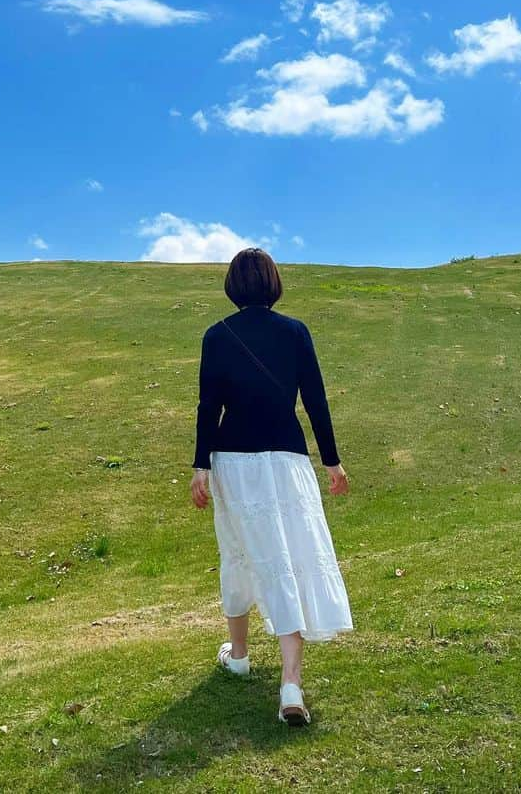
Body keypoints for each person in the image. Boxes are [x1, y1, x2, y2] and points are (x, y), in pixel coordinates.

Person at [190, 247, 352, 725]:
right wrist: (333, 462)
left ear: (233, 286)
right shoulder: (295, 332)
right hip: (287, 458)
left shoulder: (216, 336)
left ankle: (238, 655)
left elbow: (207, 408)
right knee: (289, 558)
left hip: (233, 459)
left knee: (240, 552)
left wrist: (201, 466)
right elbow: (315, 402)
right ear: (274, 283)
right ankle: (290, 685)